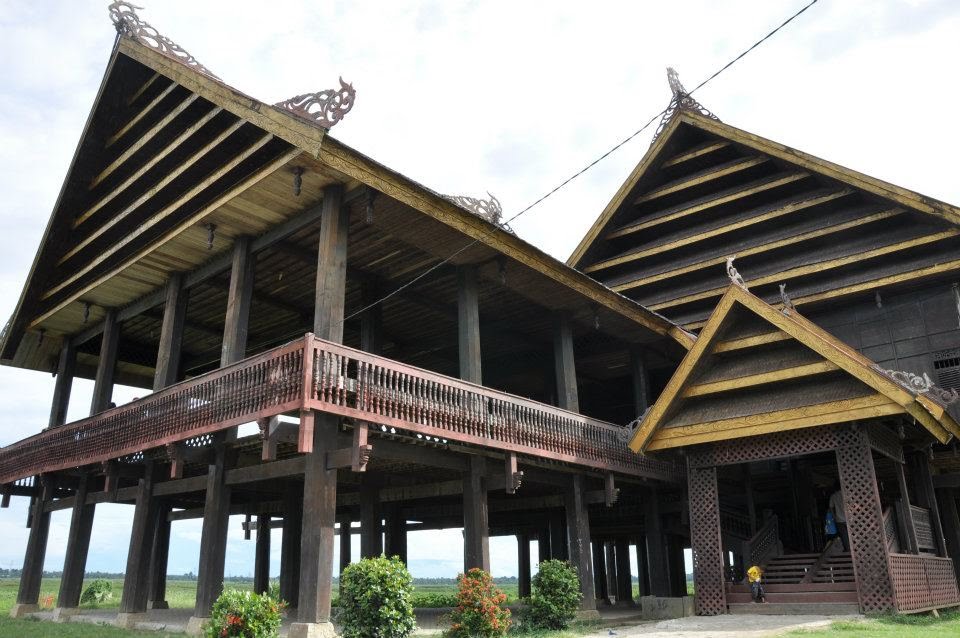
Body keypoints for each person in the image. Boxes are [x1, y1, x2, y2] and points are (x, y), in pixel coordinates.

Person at [829, 485, 849, 552]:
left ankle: (848, 550)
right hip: (849, 519)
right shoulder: (846, 494)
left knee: (844, 537)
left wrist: (834, 517)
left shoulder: (833, 496)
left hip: (839, 519)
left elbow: (831, 508)